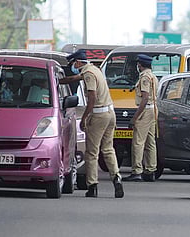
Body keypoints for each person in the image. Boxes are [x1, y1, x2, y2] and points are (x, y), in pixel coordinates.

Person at [60, 49, 124, 198]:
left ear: (77, 62)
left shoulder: (89, 74)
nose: (72, 67)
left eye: (73, 64)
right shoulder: (94, 69)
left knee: (92, 152)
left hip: (99, 115)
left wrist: (84, 118)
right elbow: (74, 78)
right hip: (110, 114)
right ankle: (116, 178)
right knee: (108, 149)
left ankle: (92, 185)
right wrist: (59, 81)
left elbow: (92, 97)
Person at [123, 54, 159, 182]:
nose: (137, 66)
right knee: (150, 142)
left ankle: (137, 171)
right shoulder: (153, 76)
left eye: (138, 64)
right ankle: (150, 170)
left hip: (145, 110)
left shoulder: (144, 77)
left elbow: (144, 97)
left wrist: (135, 117)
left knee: (138, 142)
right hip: (153, 109)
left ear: (141, 65)